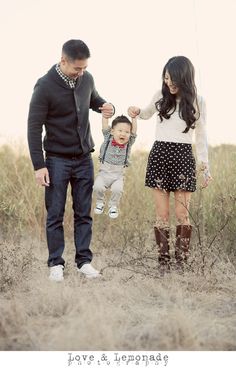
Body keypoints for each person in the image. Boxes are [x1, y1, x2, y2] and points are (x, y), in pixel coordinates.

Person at [27, 39, 114, 282]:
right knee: (55, 213)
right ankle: (56, 264)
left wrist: (106, 106)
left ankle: (84, 262)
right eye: (77, 68)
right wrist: (38, 165)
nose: (81, 72)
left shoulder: (87, 79)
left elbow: (94, 99)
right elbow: (33, 128)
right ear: (63, 60)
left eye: (84, 68)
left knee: (83, 212)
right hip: (56, 160)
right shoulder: (44, 86)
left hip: (84, 158)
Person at [128, 56, 212, 272]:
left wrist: (205, 167)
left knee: (182, 214)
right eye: (166, 78)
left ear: (184, 78)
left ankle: (181, 263)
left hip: (183, 156)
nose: (168, 83)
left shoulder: (198, 101)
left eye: (172, 79)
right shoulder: (160, 95)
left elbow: (201, 137)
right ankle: (163, 263)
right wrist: (136, 111)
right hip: (160, 154)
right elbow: (146, 114)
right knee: (162, 214)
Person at [93, 114, 137, 218]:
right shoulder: (108, 137)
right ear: (112, 131)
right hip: (104, 173)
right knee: (97, 186)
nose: (123, 134)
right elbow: (104, 125)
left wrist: (134, 119)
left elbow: (134, 132)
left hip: (118, 175)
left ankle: (113, 206)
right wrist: (105, 115)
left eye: (127, 132)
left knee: (118, 190)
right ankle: (100, 203)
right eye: (120, 131)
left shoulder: (129, 143)